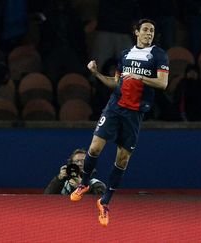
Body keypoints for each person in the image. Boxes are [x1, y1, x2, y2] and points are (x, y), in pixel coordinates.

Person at [70, 19, 169, 226]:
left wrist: (139, 78)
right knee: (95, 147)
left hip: (135, 114)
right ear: (136, 32)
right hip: (114, 108)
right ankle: (85, 183)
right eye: (145, 30)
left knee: (122, 160)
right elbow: (116, 82)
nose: (149, 33)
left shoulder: (158, 55)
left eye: (152, 30)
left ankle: (104, 203)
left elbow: (162, 83)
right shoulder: (125, 54)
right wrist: (96, 73)